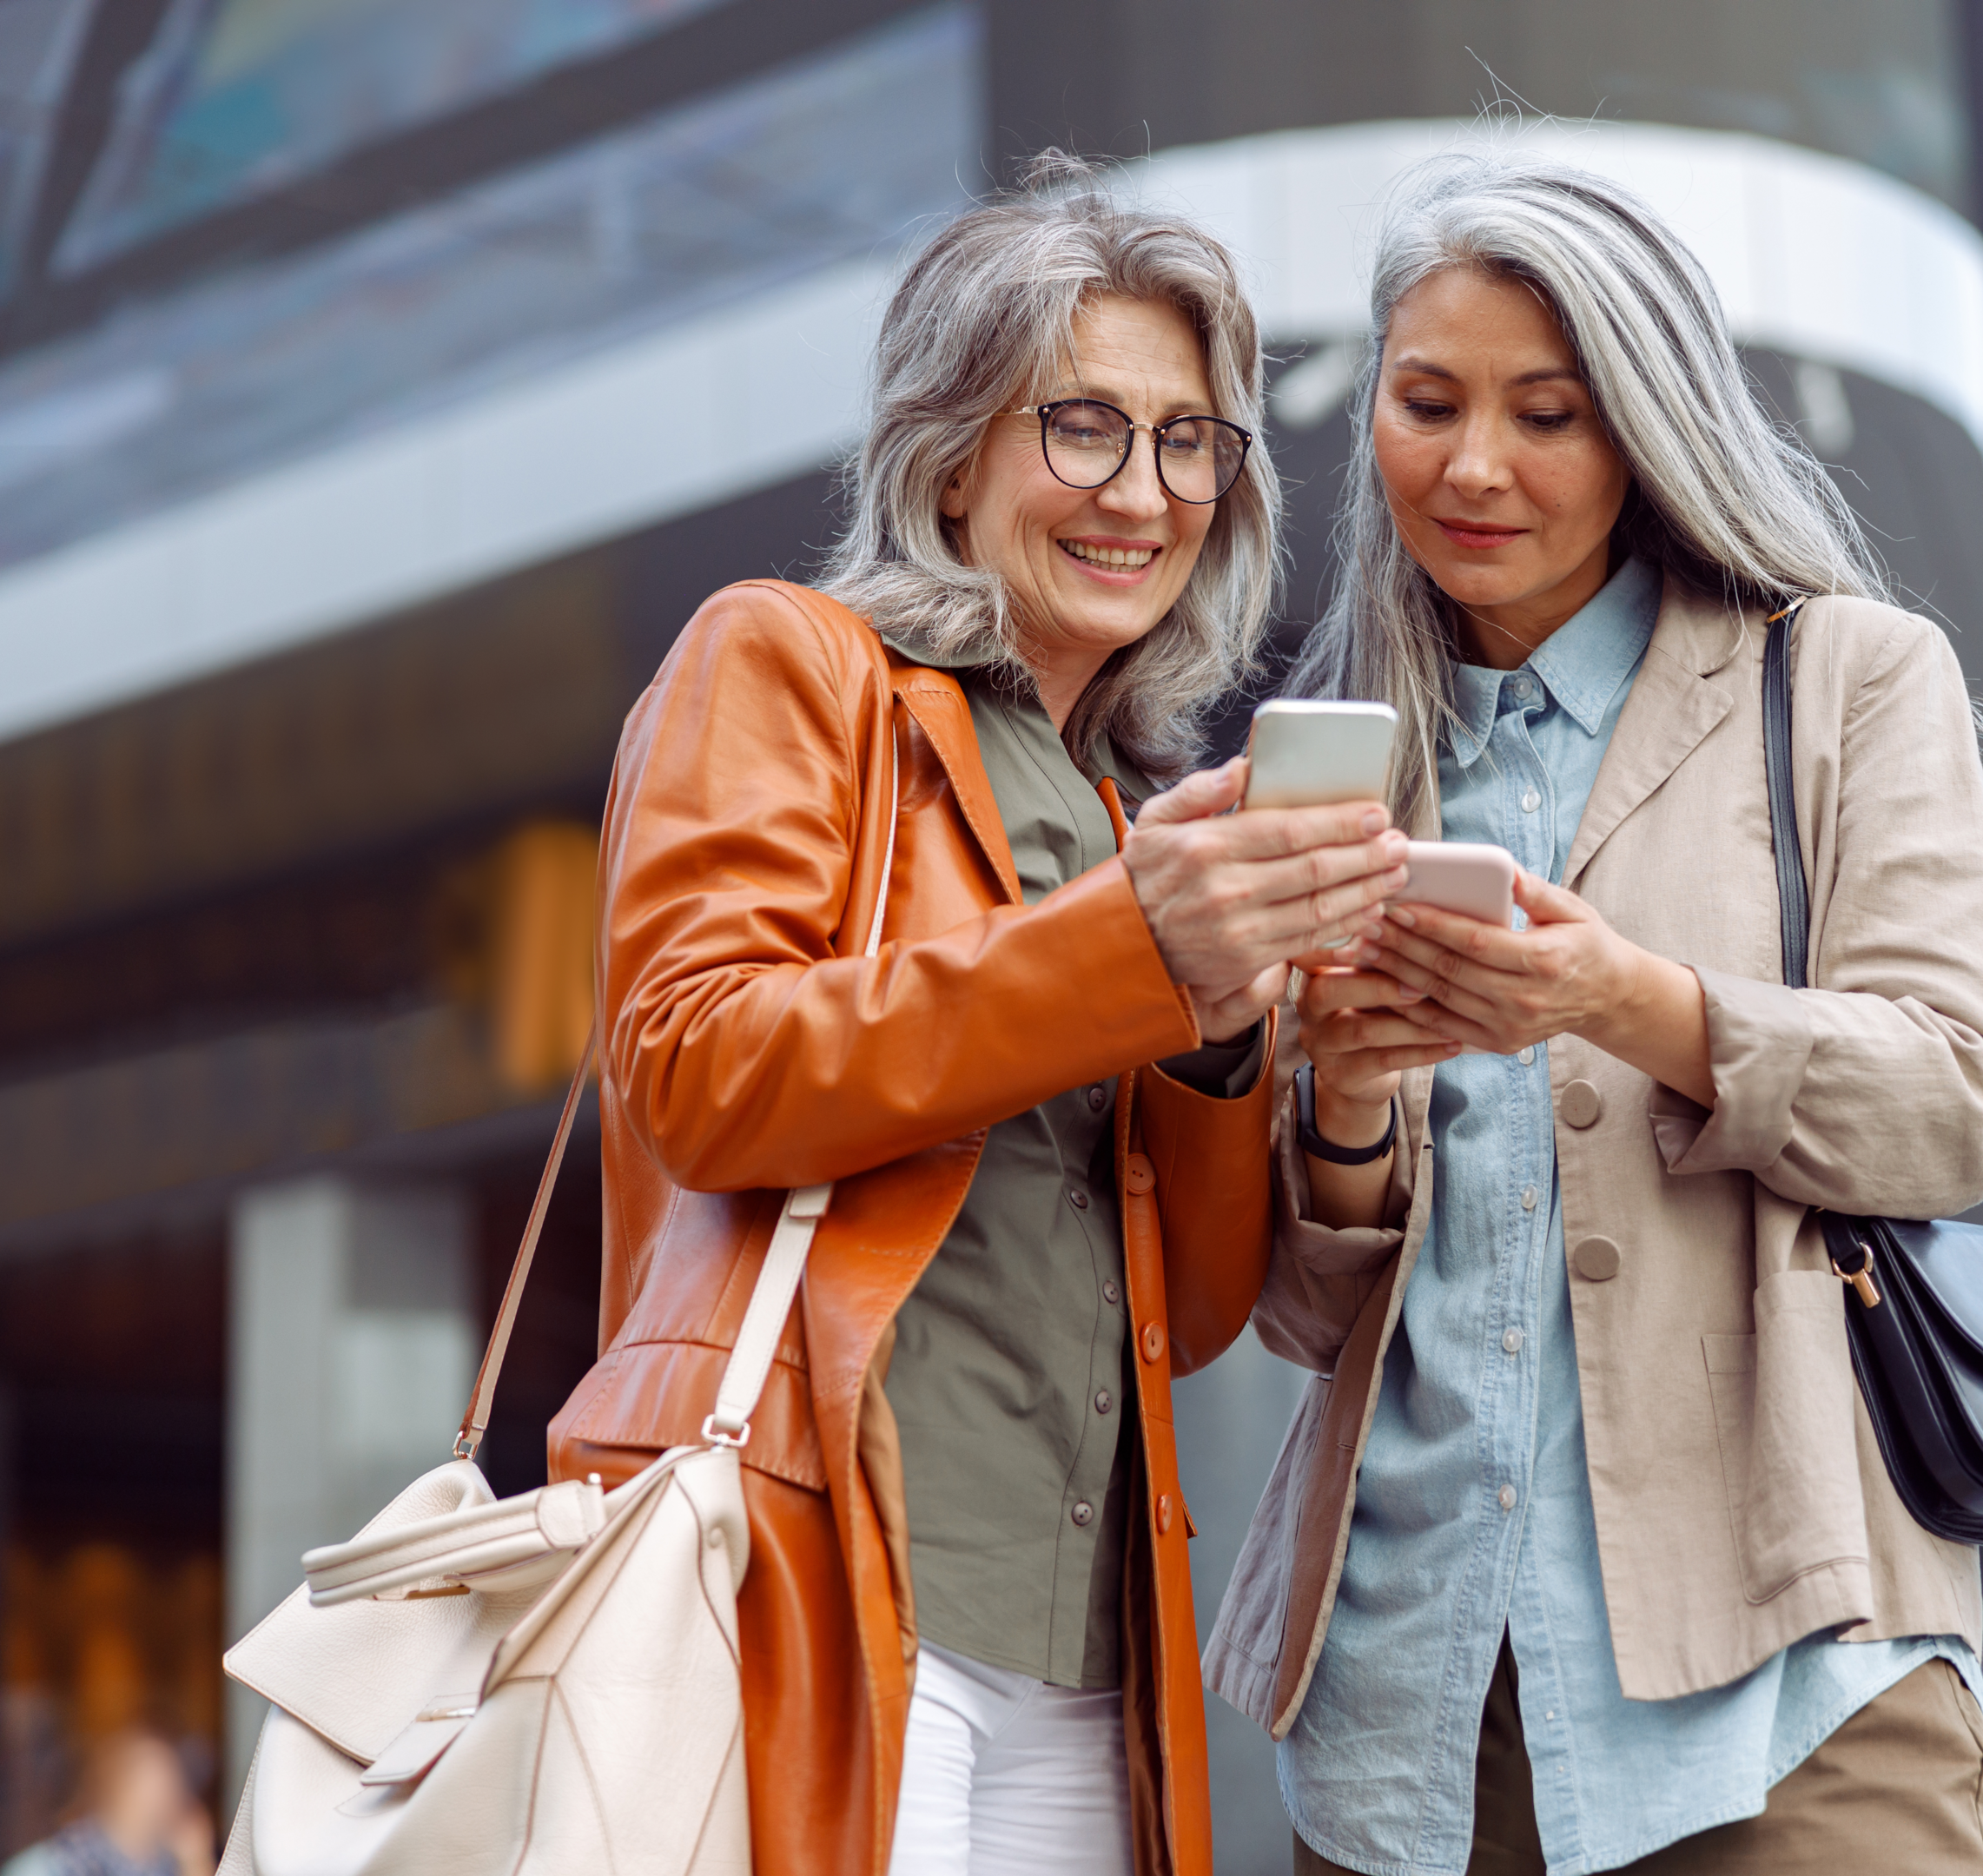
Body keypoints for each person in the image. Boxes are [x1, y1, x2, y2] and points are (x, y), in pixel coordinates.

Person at [548, 157, 1410, 1876]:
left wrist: (1234, 1032)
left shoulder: (1131, 816)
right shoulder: (792, 666)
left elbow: (1195, 1312)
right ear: (950, 456)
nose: (1142, 491)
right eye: (1079, 426)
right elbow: (697, 1070)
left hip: (1086, 1663)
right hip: (827, 1584)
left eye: (1189, 441)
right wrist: (1126, 950)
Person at [1202, 148, 1983, 1873]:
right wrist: (1346, 1104)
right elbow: (1301, 1312)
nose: (1475, 464)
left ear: (1644, 424)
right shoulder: (1350, 760)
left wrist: (1627, 1001)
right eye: (1425, 402)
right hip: (1410, 1736)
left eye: (1548, 413)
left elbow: (1957, 1104)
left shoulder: (1849, 679)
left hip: (1787, 1691)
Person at [0, 1729, 213, 1876]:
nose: (168, 1791)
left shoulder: (172, 1861)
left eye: (172, 1778)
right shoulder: (57, 1861)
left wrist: (197, 1861)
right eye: (152, 1778)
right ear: (116, 1784)